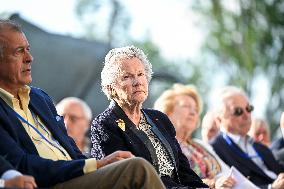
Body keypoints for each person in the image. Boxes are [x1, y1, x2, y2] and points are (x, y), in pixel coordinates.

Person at [0, 19, 166, 189]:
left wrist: (102, 164)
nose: (29, 58)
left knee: (131, 165)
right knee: (137, 169)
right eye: (18, 52)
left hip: (78, 176)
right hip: (48, 183)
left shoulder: (39, 97)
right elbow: (21, 164)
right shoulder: (108, 123)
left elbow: (73, 153)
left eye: (27, 49)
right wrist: (94, 165)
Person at [91, 46, 208, 188]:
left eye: (140, 74)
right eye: (127, 77)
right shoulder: (105, 124)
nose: (137, 82)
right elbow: (128, 178)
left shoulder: (160, 119)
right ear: (111, 88)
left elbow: (183, 169)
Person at [154, 83, 235, 189]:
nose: (193, 112)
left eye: (196, 110)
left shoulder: (201, 146)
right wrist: (214, 183)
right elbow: (171, 182)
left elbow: (228, 173)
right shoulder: (158, 146)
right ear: (167, 112)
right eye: (186, 106)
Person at [210, 86, 284, 189]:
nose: (247, 115)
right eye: (238, 111)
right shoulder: (214, 149)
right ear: (219, 119)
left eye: (249, 108)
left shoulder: (259, 147)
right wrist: (271, 188)